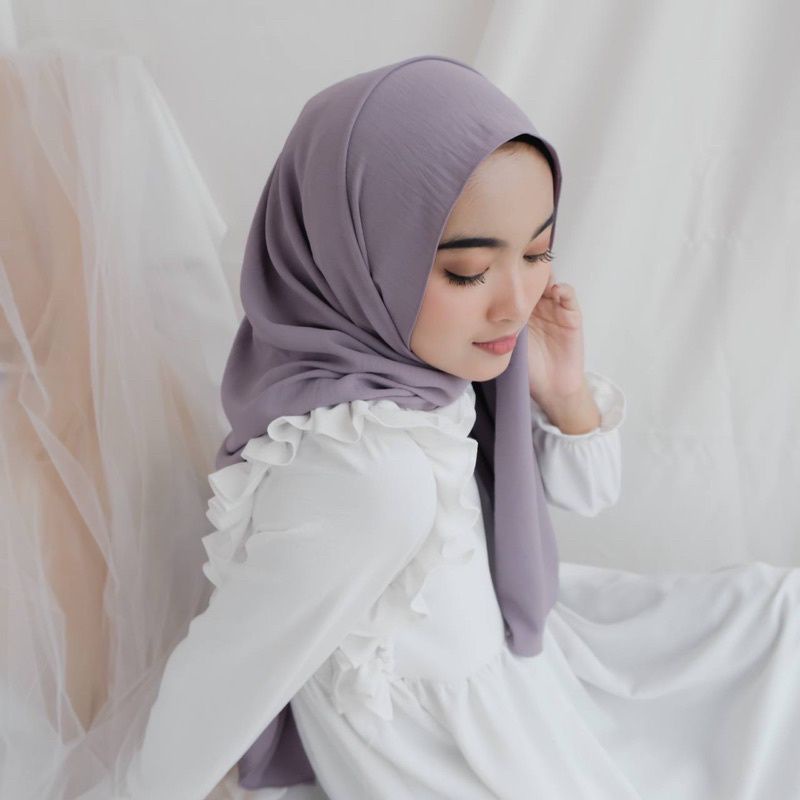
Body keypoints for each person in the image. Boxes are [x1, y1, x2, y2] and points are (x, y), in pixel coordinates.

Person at [123, 56, 800, 800]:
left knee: (772, 622)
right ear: (357, 258)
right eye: (469, 270)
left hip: (534, 678)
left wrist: (563, 391)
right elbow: (219, 685)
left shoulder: (425, 372)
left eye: (538, 253)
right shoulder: (364, 473)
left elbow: (589, 494)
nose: (516, 302)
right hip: (482, 764)